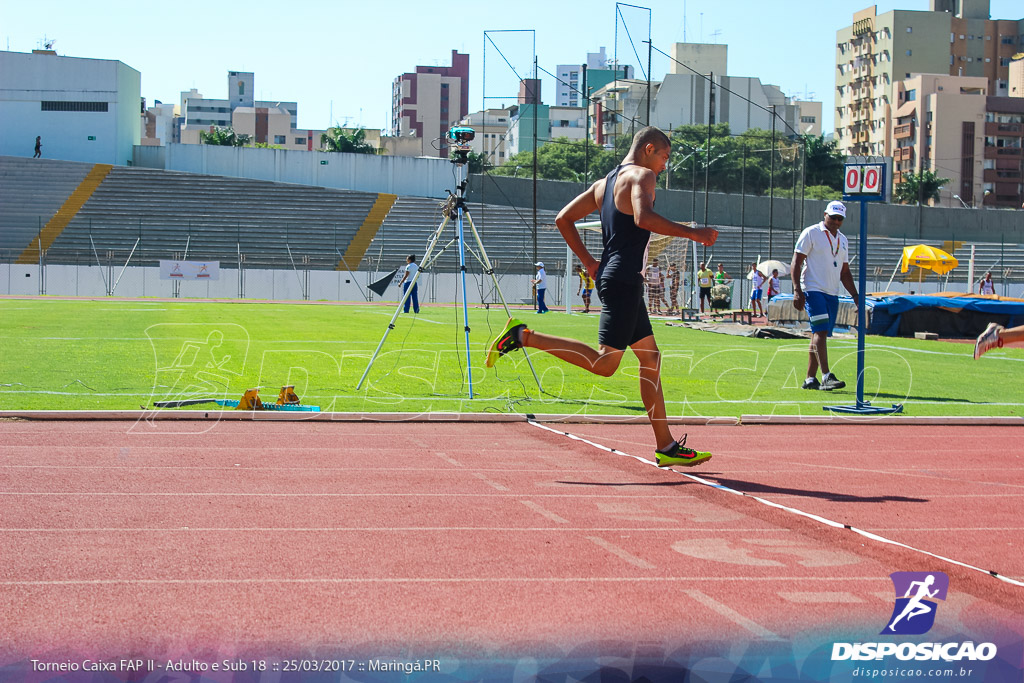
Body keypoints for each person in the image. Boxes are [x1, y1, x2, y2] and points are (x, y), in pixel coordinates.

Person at [485, 126, 718, 467]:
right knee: (605, 364)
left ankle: (666, 447)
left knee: (650, 359)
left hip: (621, 278)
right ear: (649, 149)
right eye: (665, 158)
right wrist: (692, 233)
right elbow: (644, 218)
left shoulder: (604, 183)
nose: (664, 167)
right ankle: (523, 336)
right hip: (623, 280)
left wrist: (590, 261)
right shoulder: (642, 177)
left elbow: (563, 219)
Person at [792, 200, 859, 391]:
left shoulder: (843, 240)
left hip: (832, 292)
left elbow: (845, 272)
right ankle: (826, 376)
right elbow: (796, 262)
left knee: (819, 333)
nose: (836, 221)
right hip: (813, 289)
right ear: (825, 215)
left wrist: (855, 294)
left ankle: (809, 379)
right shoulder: (811, 232)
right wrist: (797, 290)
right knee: (820, 331)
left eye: (840, 219)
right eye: (833, 217)